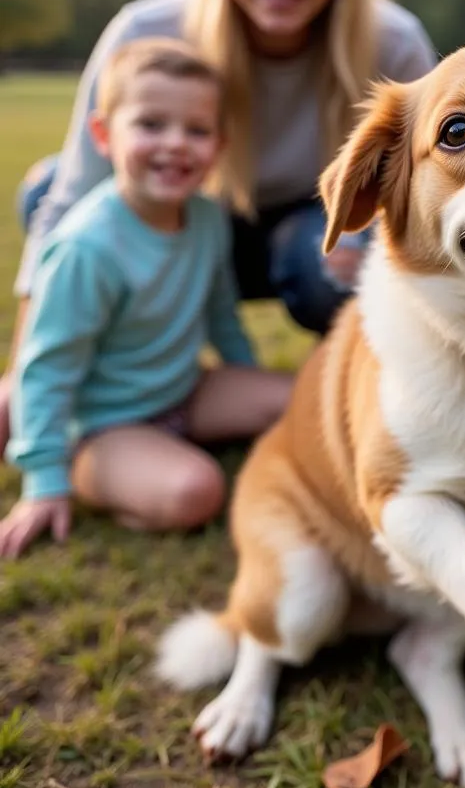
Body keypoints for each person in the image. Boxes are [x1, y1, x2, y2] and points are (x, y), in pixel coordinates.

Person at [1, 0, 437, 453]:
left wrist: (366, 245)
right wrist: (23, 374)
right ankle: (104, 385)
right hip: (187, 224)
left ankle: (355, 402)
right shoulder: (147, 30)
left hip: (307, 237)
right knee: (47, 186)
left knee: (324, 258)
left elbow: (429, 206)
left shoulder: (391, 44)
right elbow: (67, 208)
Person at [1, 38, 295, 559]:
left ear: (219, 145)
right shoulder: (86, 249)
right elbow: (48, 368)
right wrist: (44, 479)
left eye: (197, 130)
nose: (176, 144)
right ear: (103, 135)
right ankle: (75, 463)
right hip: (100, 421)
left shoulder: (206, 219)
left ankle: (162, 448)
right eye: (151, 125)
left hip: (182, 392)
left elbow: (219, 314)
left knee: (299, 400)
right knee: (196, 492)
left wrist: (244, 377)